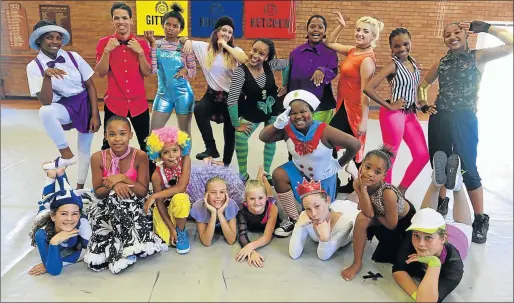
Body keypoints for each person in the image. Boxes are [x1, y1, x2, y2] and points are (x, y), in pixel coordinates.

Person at [418, 21, 513, 243]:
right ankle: (441, 203)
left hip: (464, 119)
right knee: (439, 164)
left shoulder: (477, 57)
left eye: (457, 32)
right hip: (440, 118)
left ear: (466, 35)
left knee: (468, 168)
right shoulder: (442, 63)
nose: (452, 36)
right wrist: (424, 104)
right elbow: (423, 85)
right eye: (447, 34)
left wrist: (488, 28)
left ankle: (480, 218)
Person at [259, 89, 361, 238]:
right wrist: (276, 125)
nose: (299, 116)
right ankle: (294, 218)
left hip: (323, 176)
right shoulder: (287, 129)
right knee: (278, 175)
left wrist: (339, 164)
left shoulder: (325, 130)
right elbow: (264, 137)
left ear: (312, 112)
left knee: (321, 216)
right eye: (293, 113)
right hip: (299, 171)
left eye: (303, 111)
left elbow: (355, 144)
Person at [84, 116, 167, 274]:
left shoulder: (140, 156)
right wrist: (115, 185)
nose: (117, 139)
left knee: (120, 200)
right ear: (105, 136)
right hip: (105, 203)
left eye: (122, 134)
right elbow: (98, 192)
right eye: (112, 134)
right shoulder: (97, 158)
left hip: (133, 202)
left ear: (130, 135)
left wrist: (122, 178)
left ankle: (121, 250)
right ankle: (121, 246)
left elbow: (142, 191)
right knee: (112, 199)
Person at [26, 20, 101, 189]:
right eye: (49, 37)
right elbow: (45, 101)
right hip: (63, 106)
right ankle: (65, 154)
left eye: (58, 37)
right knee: (45, 111)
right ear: (39, 40)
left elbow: (90, 85)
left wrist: (95, 114)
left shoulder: (73, 57)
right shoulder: (34, 67)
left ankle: (80, 189)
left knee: (84, 150)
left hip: (84, 103)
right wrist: (46, 76)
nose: (55, 41)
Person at [363, 28, 434, 195]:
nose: (402, 48)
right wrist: (389, 106)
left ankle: (400, 191)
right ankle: (383, 194)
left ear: (411, 43)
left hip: (410, 114)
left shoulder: (414, 63)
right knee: (390, 158)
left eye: (405, 44)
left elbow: (415, 88)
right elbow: (368, 88)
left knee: (422, 155)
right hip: (393, 114)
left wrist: (422, 103)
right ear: (391, 48)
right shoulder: (392, 65)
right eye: (396, 46)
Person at [325, 11, 384, 193]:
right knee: (347, 145)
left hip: (355, 110)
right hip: (343, 104)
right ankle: (353, 183)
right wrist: (341, 26)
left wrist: (364, 120)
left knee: (331, 143)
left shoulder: (367, 60)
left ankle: (350, 182)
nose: (359, 33)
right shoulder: (353, 51)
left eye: (365, 31)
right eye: (358, 30)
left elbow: (365, 92)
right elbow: (330, 43)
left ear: (373, 36)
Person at [341, 146, 416, 281]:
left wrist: (371, 211)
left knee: (401, 261)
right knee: (361, 219)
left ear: (384, 176)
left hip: (402, 222)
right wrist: (363, 190)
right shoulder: (358, 183)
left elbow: (392, 224)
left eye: (377, 172)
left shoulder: (388, 193)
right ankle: (356, 263)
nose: (370, 173)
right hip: (381, 216)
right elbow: (368, 213)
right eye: (367, 167)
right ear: (361, 165)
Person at [181, 16, 248, 165]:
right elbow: (187, 41)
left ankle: (226, 163)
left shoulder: (235, 50)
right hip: (213, 94)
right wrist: (186, 41)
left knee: (229, 132)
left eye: (230, 32)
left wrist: (226, 46)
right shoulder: (205, 48)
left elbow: (244, 60)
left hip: (233, 98)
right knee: (199, 109)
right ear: (216, 31)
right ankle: (211, 147)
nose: (227, 33)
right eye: (224, 30)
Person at [227, 38, 288, 181]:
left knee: (270, 139)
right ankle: (243, 174)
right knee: (240, 137)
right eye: (254, 50)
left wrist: (285, 85)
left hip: (273, 107)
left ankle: (265, 173)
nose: (255, 55)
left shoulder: (270, 65)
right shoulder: (240, 72)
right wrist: (236, 124)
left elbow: (286, 64)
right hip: (253, 110)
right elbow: (232, 100)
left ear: (267, 57)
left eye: (261, 54)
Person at [96, 2, 152, 155]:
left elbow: (147, 72)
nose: (121, 21)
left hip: (138, 104)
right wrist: (107, 51)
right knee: (108, 145)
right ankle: (107, 175)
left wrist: (140, 53)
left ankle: (148, 176)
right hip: (115, 104)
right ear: (112, 21)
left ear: (131, 20)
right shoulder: (104, 43)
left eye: (125, 18)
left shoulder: (141, 44)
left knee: (147, 145)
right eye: (117, 18)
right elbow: (101, 72)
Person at [393, 207, 472, 303]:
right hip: (440, 231)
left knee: (463, 221)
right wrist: (418, 295)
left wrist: (433, 262)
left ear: (443, 239)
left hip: (461, 234)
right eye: (416, 235)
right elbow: (398, 270)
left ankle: (457, 190)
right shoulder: (414, 236)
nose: (420, 243)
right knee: (427, 207)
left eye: (428, 237)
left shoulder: (453, 266)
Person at [28, 167, 92, 276]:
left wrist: (58, 262)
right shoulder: (42, 234)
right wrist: (54, 242)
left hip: (65, 210)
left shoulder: (83, 224)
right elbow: (54, 271)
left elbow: (85, 252)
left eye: (75, 214)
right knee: (45, 204)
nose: (70, 219)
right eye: (64, 214)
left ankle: (61, 175)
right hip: (47, 214)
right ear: (53, 216)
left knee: (69, 196)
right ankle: (51, 177)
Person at [143, 4, 196, 134]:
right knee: (154, 134)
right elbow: (153, 70)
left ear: (180, 29)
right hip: (163, 94)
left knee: (184, 133)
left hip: (183, 94)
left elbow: (193, 71)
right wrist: (152, 45)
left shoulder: (185, 46)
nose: (171, 28)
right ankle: (153, 155)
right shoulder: (157, 44)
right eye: (168, 24)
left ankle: (185, 155)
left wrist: (186, 71)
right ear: (162, 24)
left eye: (175, 26)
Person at [143, 126, 192, 254]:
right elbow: (159, 203)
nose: (171, 156)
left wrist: (154, 196)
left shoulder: (186, 161)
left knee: (181, 198)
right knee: (167, 240)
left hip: (179, 204)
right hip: (164, 209)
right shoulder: (156, 175)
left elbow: (181, 187)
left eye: (175, 150)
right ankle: (175, 228)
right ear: (158, 155)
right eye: (165, 152)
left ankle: (181, 231)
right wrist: (171, 228)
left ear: (181, 149)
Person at [281, 14, 338, 123]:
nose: (316, 30)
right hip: (298, 106)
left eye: (320, 27)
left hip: (321, 106)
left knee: (318, 136)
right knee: (300, 138)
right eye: (312, 26)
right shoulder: (295, 53)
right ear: (307, 30)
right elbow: (289, 76)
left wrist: (322, 70)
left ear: (325, 31)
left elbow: (333, 71)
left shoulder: (330, 52)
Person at [289, 178, 359, 261]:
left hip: (351, 211)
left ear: (328, 200)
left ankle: (360, 185)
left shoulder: (346, 224)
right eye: (308, 208)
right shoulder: (305, 217)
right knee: (348, 199)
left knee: (356, 199)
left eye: (317, 206)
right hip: (334, 207)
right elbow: (294, 254)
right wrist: (298, 225)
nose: (314, 214)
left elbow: (323, 256)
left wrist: (324, 239)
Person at [235, 166, 280, 268]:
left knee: (268, 192)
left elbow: (267, 237)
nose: (256, 202)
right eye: (251, 199)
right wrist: (252, 252)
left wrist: (250, 246)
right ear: (246, 200)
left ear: (265, 199)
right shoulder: (242, 210)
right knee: (256, 190)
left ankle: (262, 176)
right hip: (260, 200)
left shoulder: (272, 208)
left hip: (268, 203)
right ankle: (259, 177)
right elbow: (242, 234)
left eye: (260, 198)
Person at [189, 176, 239, 247]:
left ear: (226, 194)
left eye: (222, 192)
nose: (218, 196)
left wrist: (220, 214)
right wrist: (213, 213)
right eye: (213, 192)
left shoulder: (231, 205)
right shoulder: (198, 206)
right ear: (206, 195)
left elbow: (231, 240)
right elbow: (206, 242)